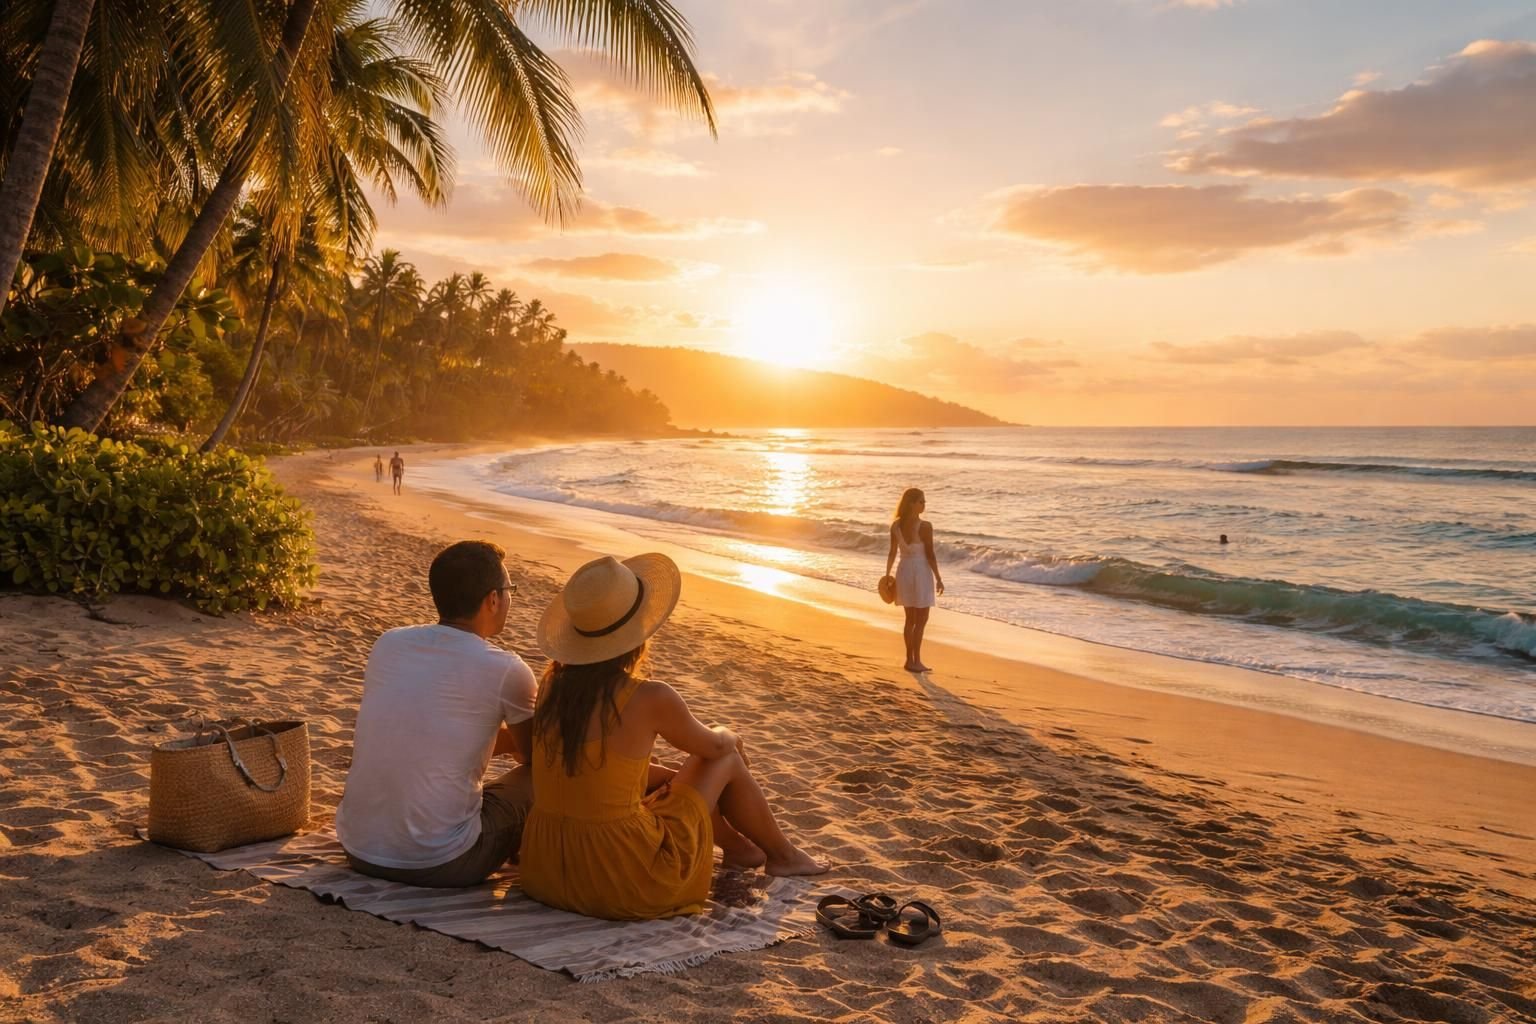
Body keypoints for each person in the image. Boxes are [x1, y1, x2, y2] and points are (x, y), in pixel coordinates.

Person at [519, 553, 827, 921]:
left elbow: (595, 768)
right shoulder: (650, 696)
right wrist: (731, 734)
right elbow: (714, 747)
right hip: (622, 879)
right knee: (724, 756)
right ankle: (783, 856)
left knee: (671, 779)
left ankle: (740, 850)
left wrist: (666, 774)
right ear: (638, 632)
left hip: (549, 870)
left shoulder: (553, 683)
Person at [336, 540, 534, 887]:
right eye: (509, 589)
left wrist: (489, 742)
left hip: (358, 847)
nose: (510, 597)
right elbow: (536, 755)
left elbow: (419, 729)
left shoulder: (389, 643)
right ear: (492, 599)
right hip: (441, 861)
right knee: (537, 779)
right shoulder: (506, 669)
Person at [885, 487, 944, 672]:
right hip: (920, 571)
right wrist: (939, 578)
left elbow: (892, 552)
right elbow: (931, 555)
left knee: (910, 619)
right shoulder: (925, 526)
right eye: (921, 501)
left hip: (904, 571)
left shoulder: (896, 526)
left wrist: (887, 575)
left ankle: (909, 660)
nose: (924, 505)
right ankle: (916, 661)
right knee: (922, 619)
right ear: (912, 503)